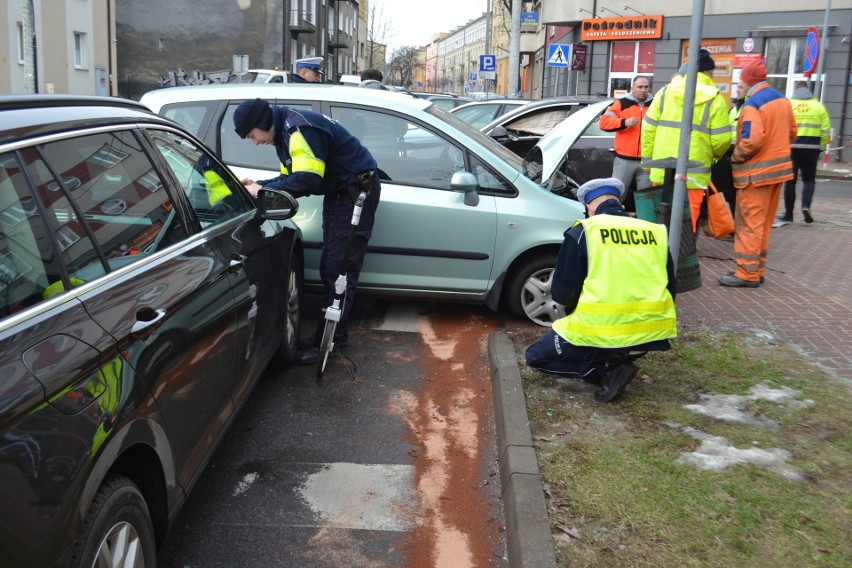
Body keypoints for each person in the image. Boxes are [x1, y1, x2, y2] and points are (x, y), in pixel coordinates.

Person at [233, 98, 381, 363]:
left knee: (339, 270)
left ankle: (332, 341)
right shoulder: (284, 134)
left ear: (262, 123)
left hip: (353, 195)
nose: (255, 142)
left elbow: (308, 180)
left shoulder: (297, 130)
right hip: (340, 195)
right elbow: (290, 179)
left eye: (252, 135)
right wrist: (259, 185)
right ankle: (327, 336)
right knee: (331, 266)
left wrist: (263, 190)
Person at [525, 178, 677, 402]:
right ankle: (614, 360)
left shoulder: (585, 231)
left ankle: (605, 369)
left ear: (589, 208)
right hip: (649, 337)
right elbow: (671, 291)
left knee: (535, 356)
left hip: (598, 333)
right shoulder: (655, 233)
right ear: (621, 205)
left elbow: (562, 295)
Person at [720, 60, 796, 288]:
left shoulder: (753, 105)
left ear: (748, 80)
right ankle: (757, 269)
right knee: (763, 224)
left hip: (755, 175)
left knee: (749, 224)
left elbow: (751, 140)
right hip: (777, 173)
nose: (739, 86)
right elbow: (792, 132)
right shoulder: (782, 100)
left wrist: (736, 157)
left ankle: (746, 273)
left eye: (740, 81)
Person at [641, 48, 731, 233]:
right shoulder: (714, 97)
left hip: (661, 171)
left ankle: (659, 258)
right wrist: (714, 156)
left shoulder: (664, 93)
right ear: (707, 71)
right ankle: (680, 259)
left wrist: (648, 162)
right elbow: (721, 140)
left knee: (659, 223)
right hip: (694, 174)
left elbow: (648, 129)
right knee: (686, 227)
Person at [776, 81, 832, 226]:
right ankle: (805, 206)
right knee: (809, 180)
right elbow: (825, 129)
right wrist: (822, 146)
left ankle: (788, 214)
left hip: (792, 147)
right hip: (812, 148)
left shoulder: (789, 104)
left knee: (790, 181)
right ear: (808, 90)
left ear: (795, 90)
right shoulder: (818, 106)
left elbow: (781, 125)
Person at [599, 75, 653, 211]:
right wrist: (624, 122)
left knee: (647, 197)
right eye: (640, 87)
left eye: (646, 87)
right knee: (616, 194)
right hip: (624, 159)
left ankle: (645, 224)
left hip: (648, 160)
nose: (643, 90)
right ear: (632, 88)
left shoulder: (655, 104)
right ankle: (613, 219)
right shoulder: (621, 103)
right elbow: (604, 123)